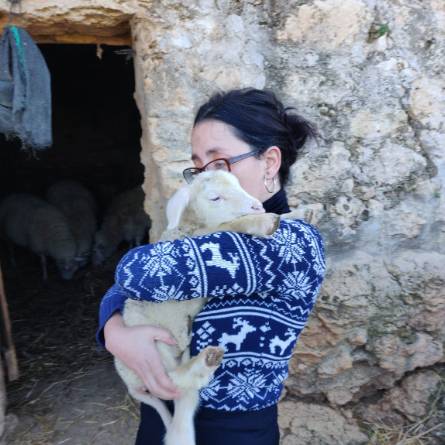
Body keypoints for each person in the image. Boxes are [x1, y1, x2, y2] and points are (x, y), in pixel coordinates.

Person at [96, 88, 327, 445]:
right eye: (198, 166)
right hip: (161, 424)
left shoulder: (292, 242)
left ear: (269, 162)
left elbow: (137, 272)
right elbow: (128, 286)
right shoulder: (211, 236)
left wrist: (115, 317)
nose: (206, 178)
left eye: (219, 164)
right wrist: (115, 330)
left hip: (232, 433)